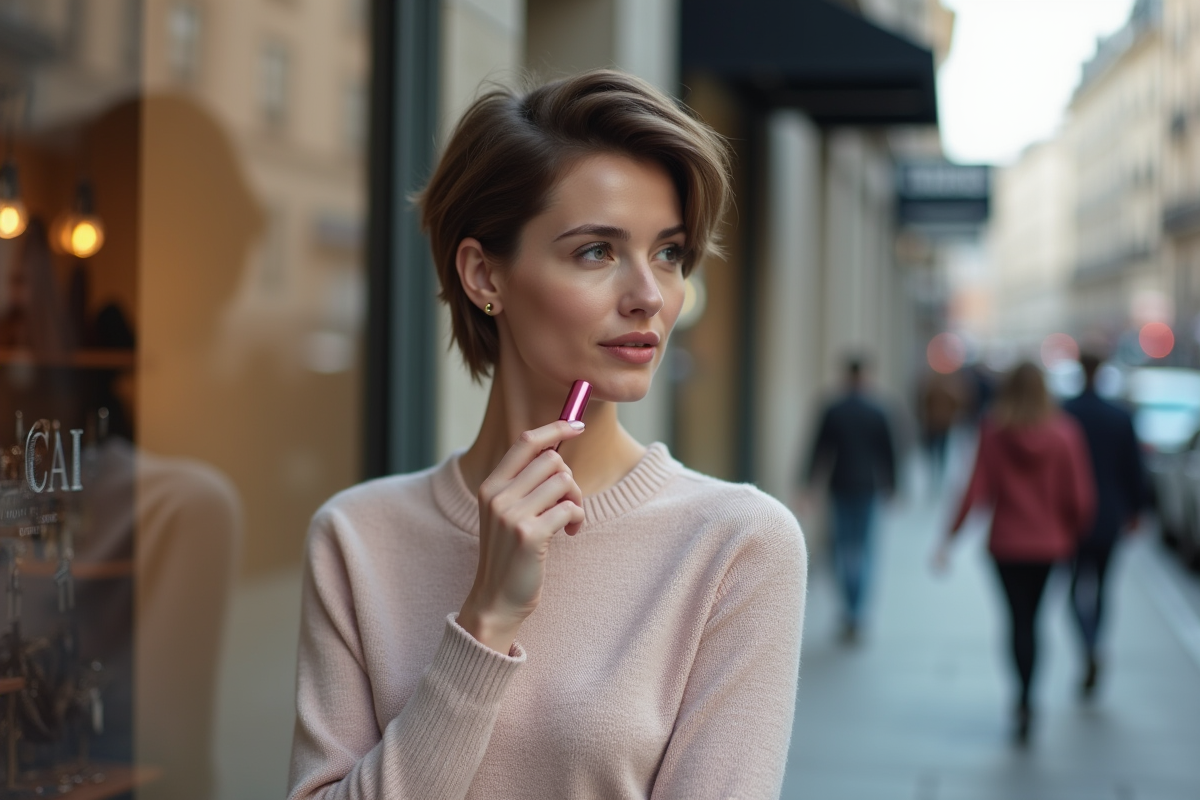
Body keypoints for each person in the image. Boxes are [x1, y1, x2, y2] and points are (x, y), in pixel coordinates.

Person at [286, 70, 808, 800]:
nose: (650, 296)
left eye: (668, 253)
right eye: (596, 251)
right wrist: (485, 622)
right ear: (483, 275)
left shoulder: (737, 545)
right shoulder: (356, 537)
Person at [933, 361, 1094, 745]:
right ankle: (1030, 695)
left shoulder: (994, 432)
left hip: (1006, 545)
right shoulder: (1065, 433)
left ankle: (1021, 698)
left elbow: (975, 490)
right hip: (1050, 546)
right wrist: (1075, 533)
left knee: (1017, 621)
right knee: (1035, 621)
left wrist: (949, 539)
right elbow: (1080, 497)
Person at [1062, 352, 1145, 697]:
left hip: (1071, 516)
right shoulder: (1119, 416)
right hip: (1109, 514)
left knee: (1073, 588)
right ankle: (1096, 641)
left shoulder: (1066, 413)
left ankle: (1087, 643)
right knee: (1103, 588)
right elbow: (1134, 468)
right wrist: (1136, 511)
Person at [803, 356, 895, 643]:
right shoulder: (876, 409)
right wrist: (892, 486)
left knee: (842, 550)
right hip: (867, 487)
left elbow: (818, 450)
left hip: (840, 486)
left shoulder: (834, 409)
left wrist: (808, 485)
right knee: (864, 550)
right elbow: (889, 452)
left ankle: (849, 608)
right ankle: (857, 611)